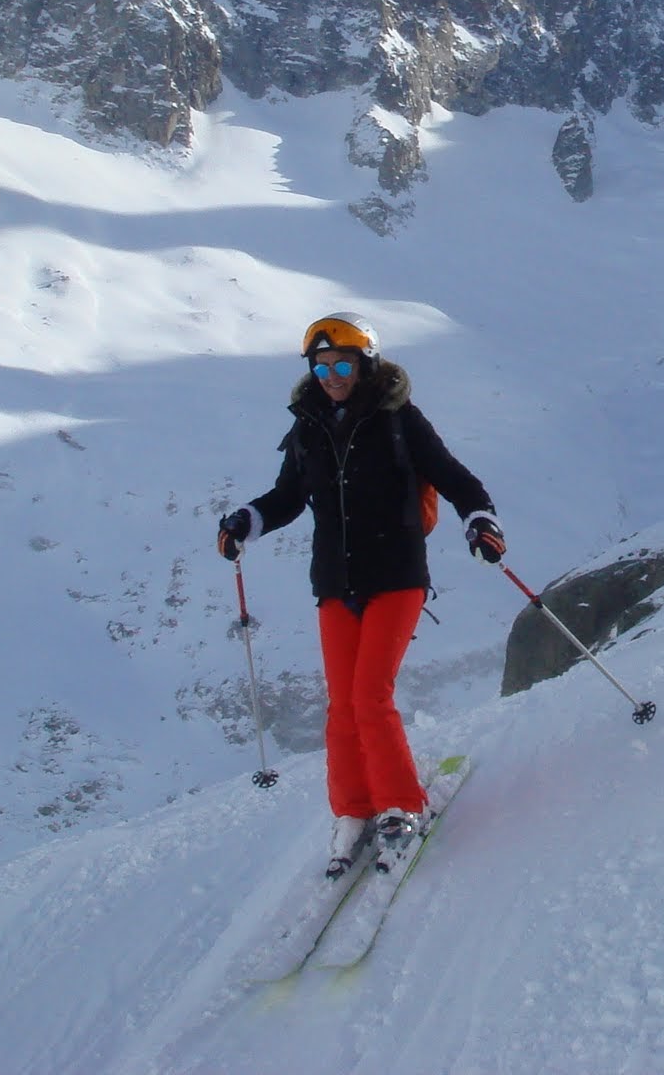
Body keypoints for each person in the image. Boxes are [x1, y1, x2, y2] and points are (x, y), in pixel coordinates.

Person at [216, 313, 506, 878]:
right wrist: (245, 521)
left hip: (396, 574)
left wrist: (480, 521)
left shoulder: (399, 420)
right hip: (334, 583)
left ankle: (402, 804)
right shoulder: (308, 426)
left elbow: (455, 478)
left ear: (367, 364)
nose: (331, 375)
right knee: (343, 705)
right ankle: (352, 809)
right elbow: (288, 496)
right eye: (321, 366)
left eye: (343, 364)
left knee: (371, 694)